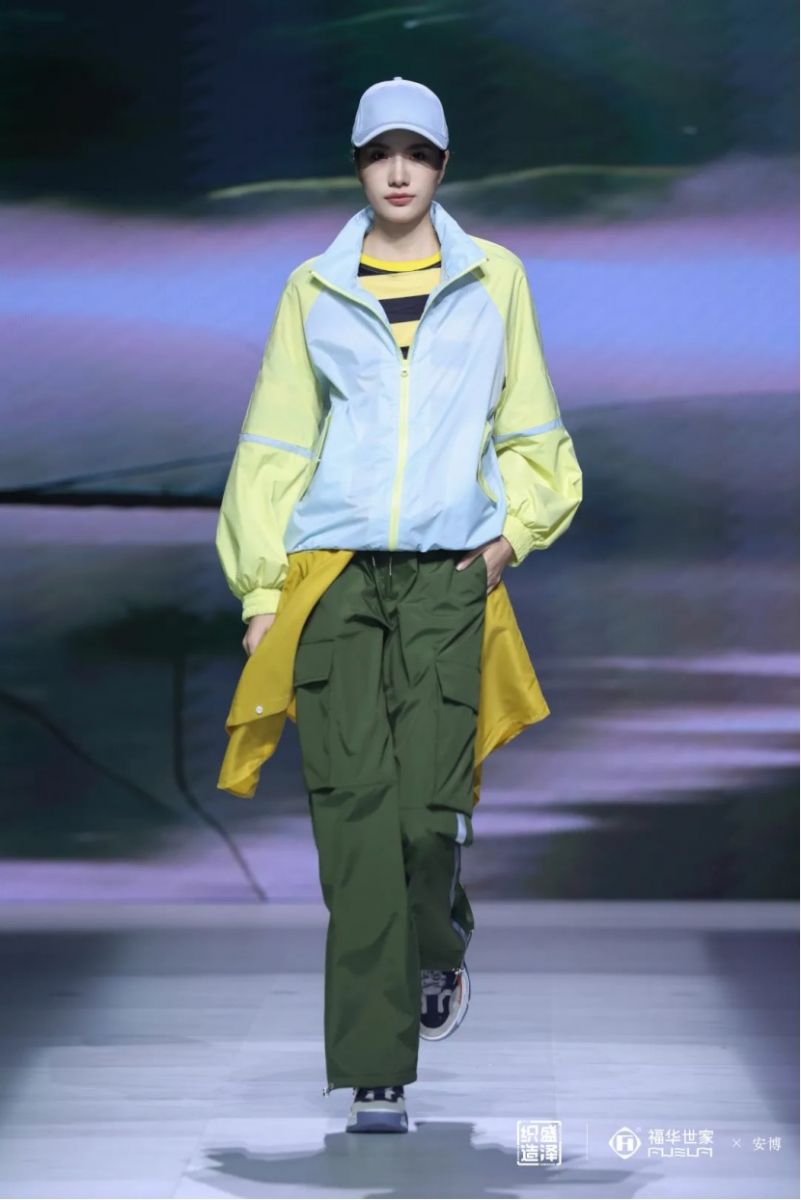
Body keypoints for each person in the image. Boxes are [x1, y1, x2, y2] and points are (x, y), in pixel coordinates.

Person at [215, 76, 583, 1134]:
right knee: (352, 818)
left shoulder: (495, 277)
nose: (399, 171)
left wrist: (508, 540)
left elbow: (531, 427)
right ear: (358, 165)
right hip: (330, 575)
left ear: (443, 165)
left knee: (427, 813)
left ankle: (437, 944)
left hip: (445, 578)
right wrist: (262, 590)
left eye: (417, 152)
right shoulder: (313, 289)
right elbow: (276, 441)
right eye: (381, 152)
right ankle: (376, 1066)